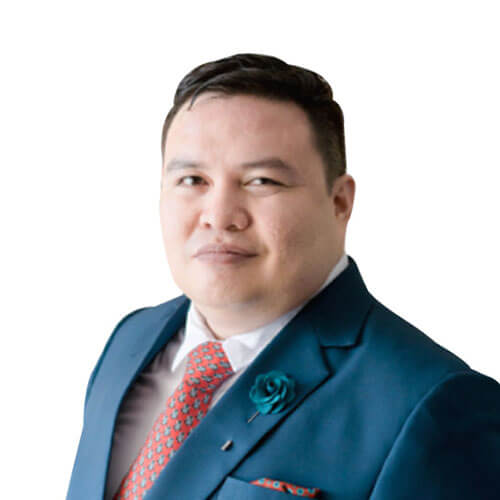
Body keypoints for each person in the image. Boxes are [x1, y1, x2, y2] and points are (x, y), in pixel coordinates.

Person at [66, 53, 500, 500]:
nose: (219, 215)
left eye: (262, 181)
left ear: (340, 202)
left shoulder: (435, 405)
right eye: (192, 180)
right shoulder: (130, 341)